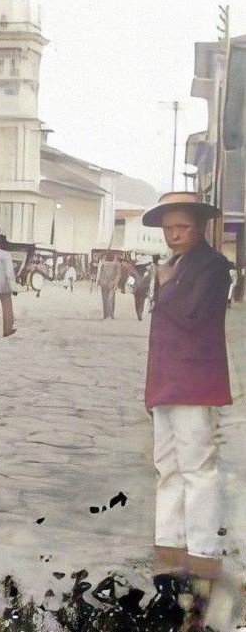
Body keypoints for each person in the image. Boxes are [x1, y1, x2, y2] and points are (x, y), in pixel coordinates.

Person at [140, 192, 232, 616]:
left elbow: (194, 316)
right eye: (168, 228)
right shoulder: (171, 266)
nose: (174, 235)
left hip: (195, 381)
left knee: (198, 469)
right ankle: (170, 546)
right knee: (167, 466)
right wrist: (151, 390)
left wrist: (162, 284)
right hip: (167, 383)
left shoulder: (214, 267)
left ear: (200, 229)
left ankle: (203, 551)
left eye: (182, 228)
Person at [95, 250, 124, 320]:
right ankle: (108, 315)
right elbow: (100, 273)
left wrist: (113, 282)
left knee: (107, 299)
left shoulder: (114, 264)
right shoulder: (106, 263)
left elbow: (118, 275)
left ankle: (109, 315)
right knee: (108, 299)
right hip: (107, 283)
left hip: (109, 283)